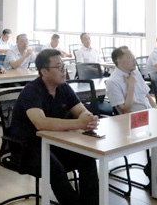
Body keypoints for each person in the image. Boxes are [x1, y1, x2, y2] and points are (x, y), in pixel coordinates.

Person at [10, 49, 99, 205]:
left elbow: (81, 111)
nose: (63, 71)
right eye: (58, 67)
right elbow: (41, 123)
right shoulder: (31, 91)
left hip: (55, 143)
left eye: (63, 66)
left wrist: (88, 118)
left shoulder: (63, 88)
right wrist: (79, 123)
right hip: (27, 147)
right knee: (54, 169)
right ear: (44, 71)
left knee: (87, 158)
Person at [106, 46, 155, 113]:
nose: (134, 60)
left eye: (134, 57)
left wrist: (156, 110)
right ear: (119, 61)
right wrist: (131, 87)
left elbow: (147, 95)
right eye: (130, 57)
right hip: (134, 116)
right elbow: (124, 111)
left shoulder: (136, 73)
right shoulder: (112, 82)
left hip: (149, 112)